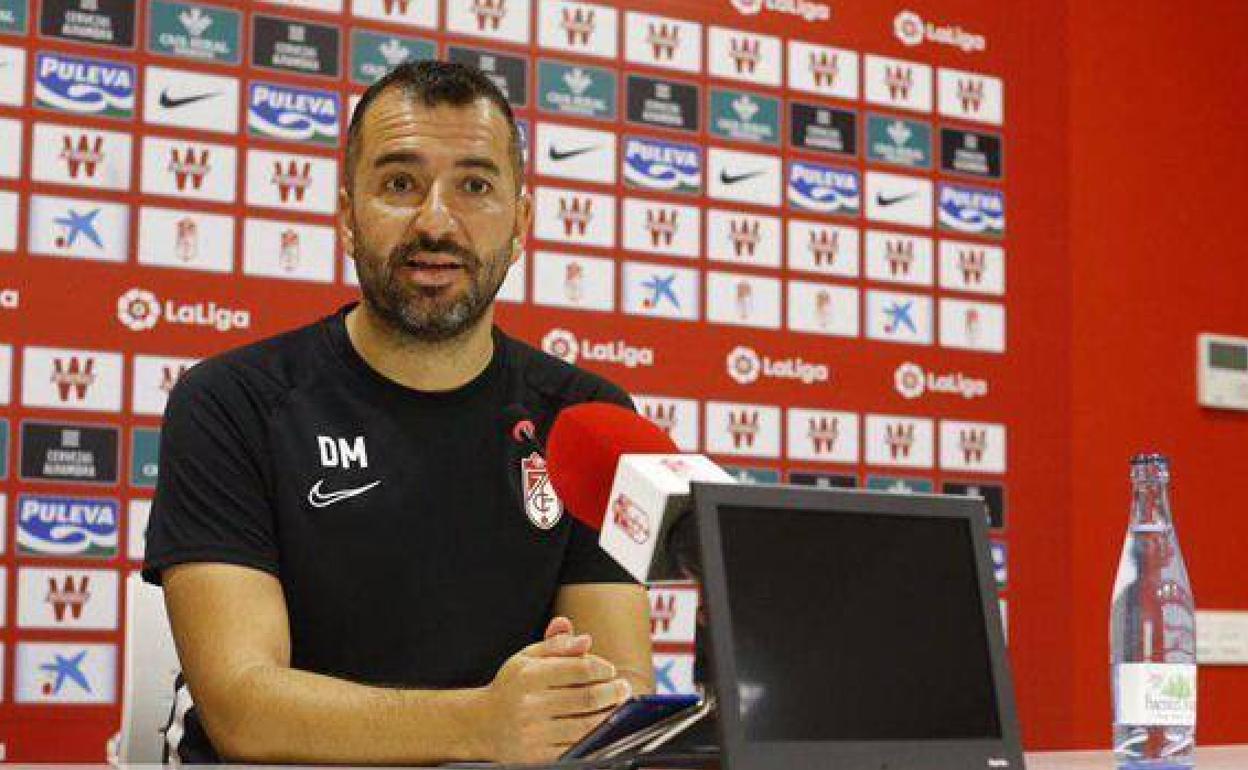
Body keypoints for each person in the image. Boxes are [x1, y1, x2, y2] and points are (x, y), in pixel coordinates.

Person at [141, 60, 654, 765]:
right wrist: (483, 722)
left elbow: (617, 699)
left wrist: (567, 704)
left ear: (521, 223)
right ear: (347, 217)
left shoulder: (591, 419)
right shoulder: (231, 403)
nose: (436, 221)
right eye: (400, 184)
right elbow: (243, 710)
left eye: (475, 186)